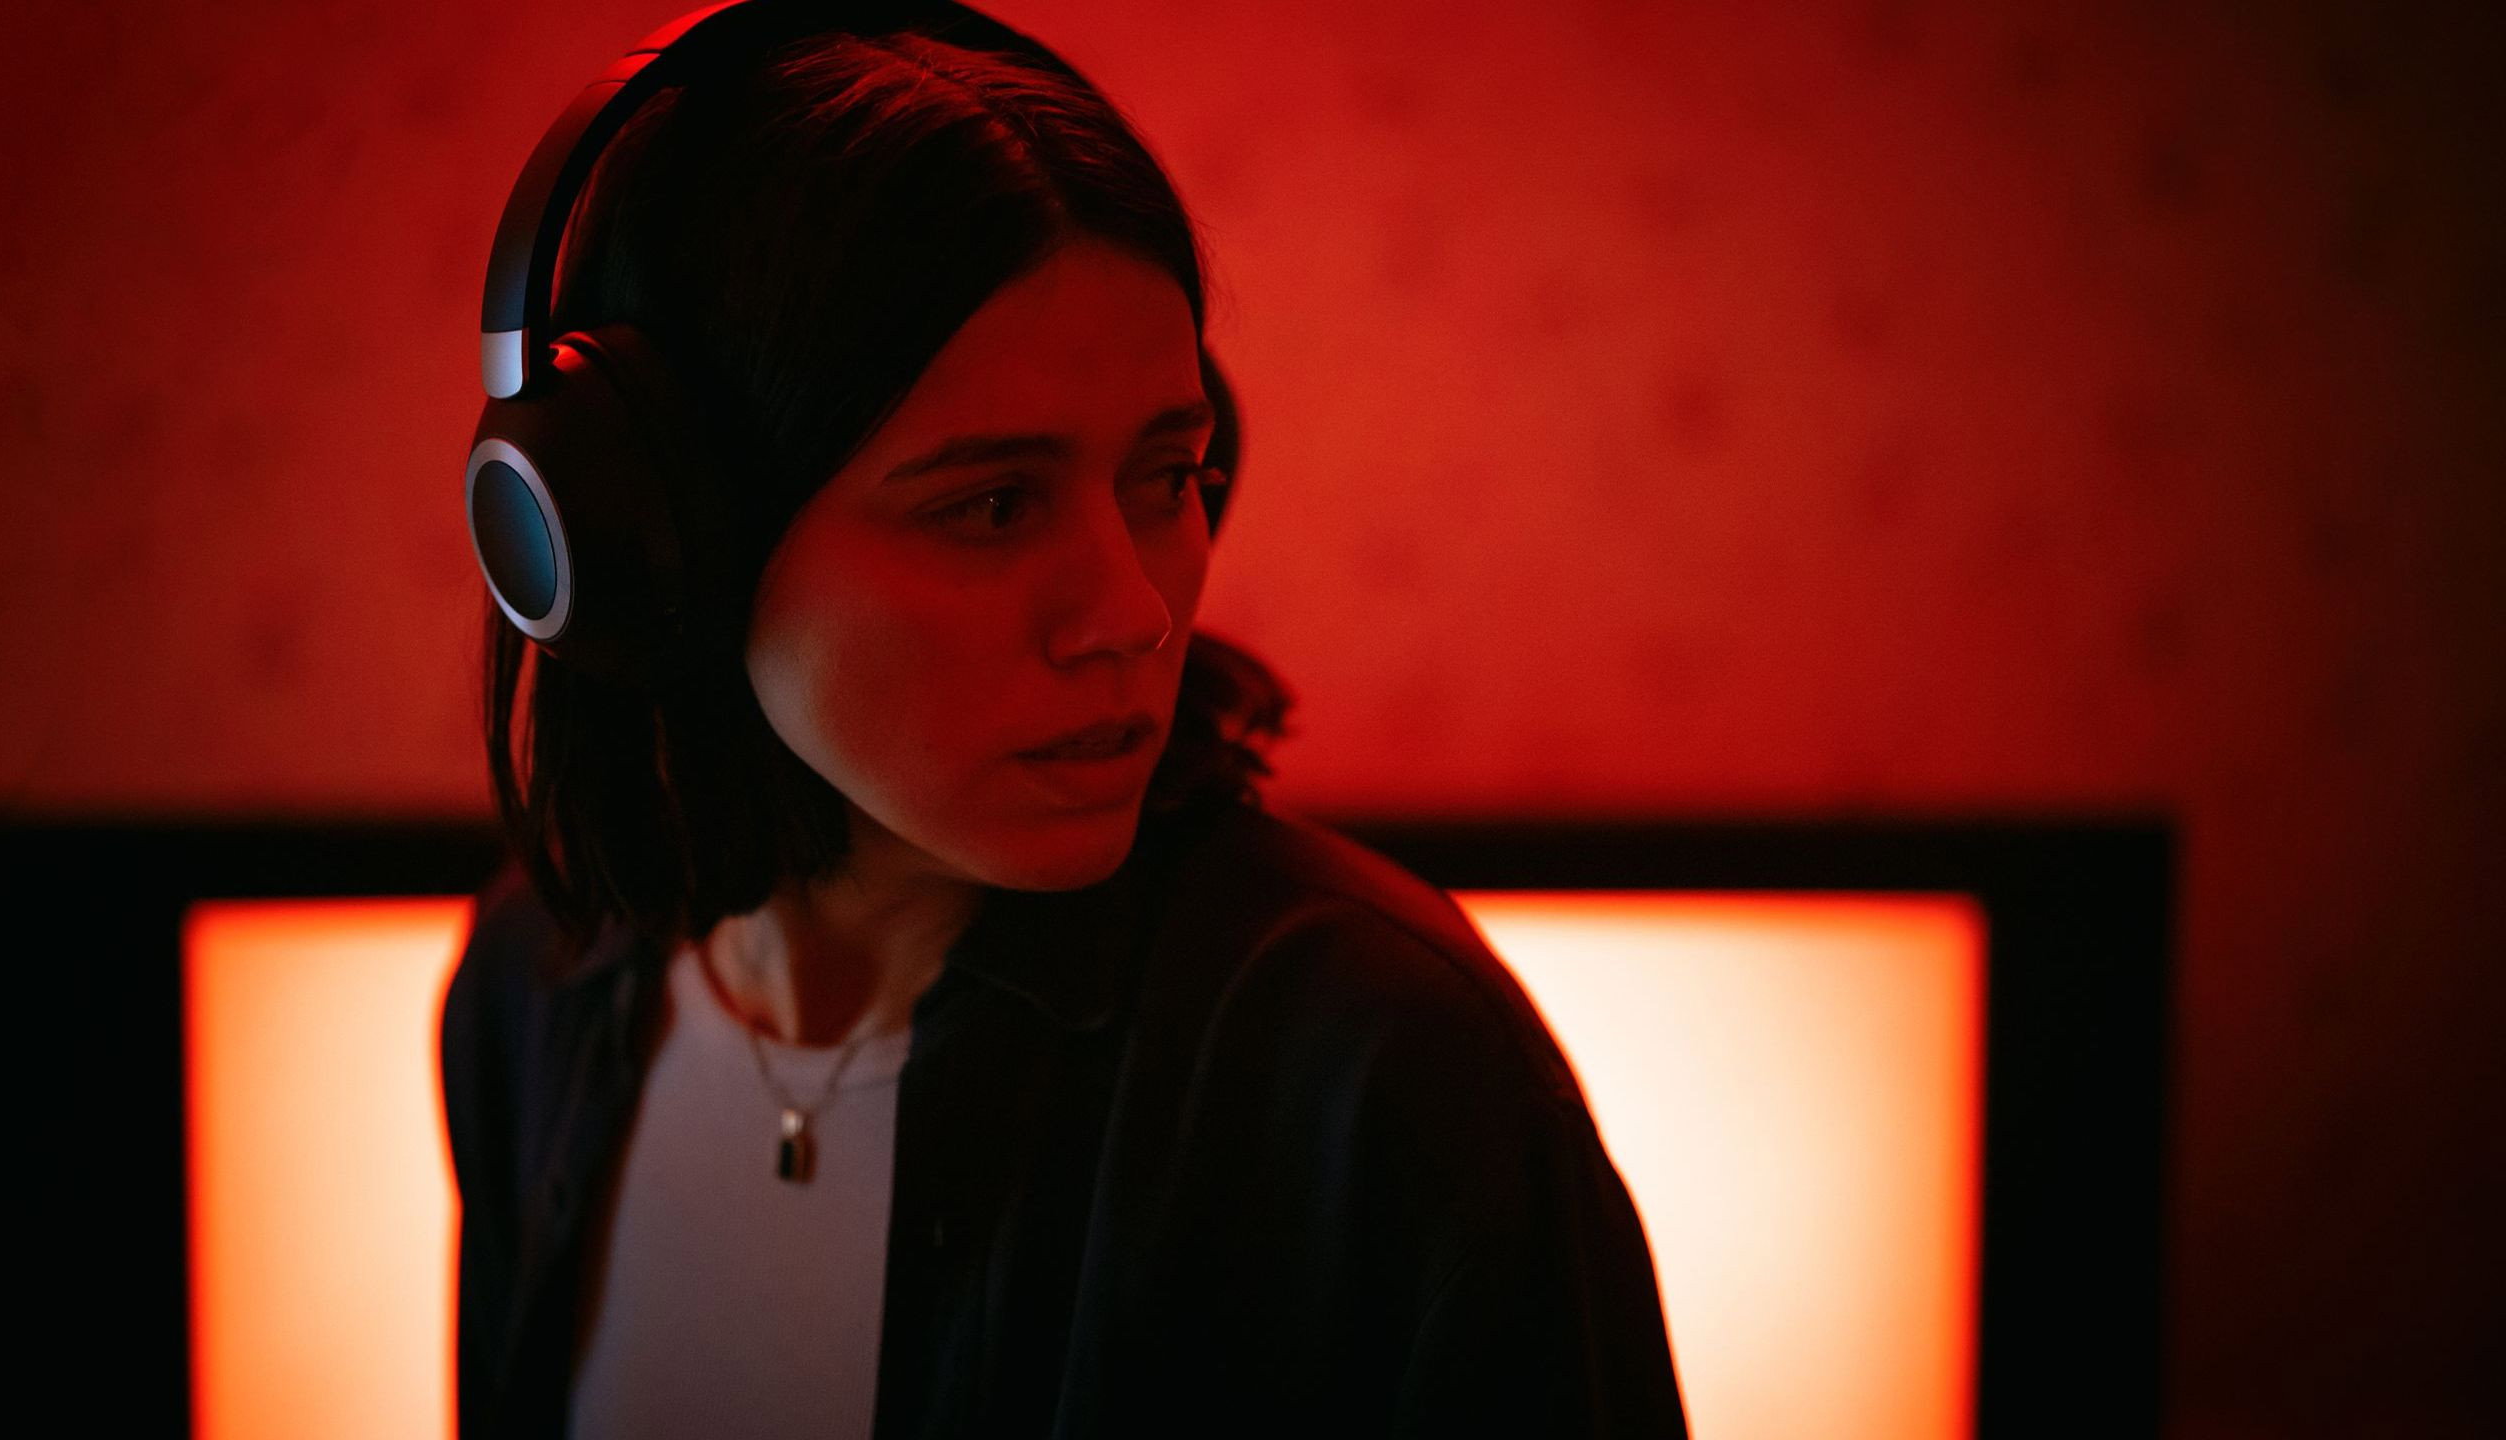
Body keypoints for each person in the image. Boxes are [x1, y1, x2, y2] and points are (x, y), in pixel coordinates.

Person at [440, 4, 1691, 1436]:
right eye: (992, 505)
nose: (1135, 614)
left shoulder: (1383, 1074)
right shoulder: (533, 987)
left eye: (1165, 477)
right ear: (660, 545)